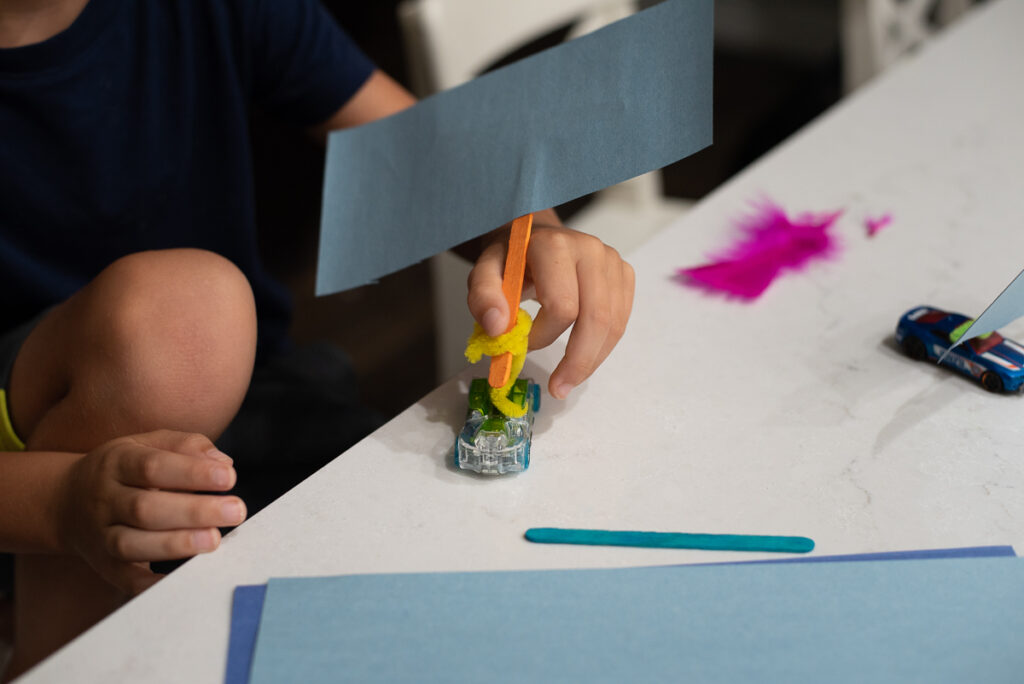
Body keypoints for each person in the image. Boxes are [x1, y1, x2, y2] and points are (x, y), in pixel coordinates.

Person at [0, 0, 635, 675]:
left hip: (254, 405)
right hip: (44, 481)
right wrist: (61, 502)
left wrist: (531, 233)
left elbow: (422, 158)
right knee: (181, 320)